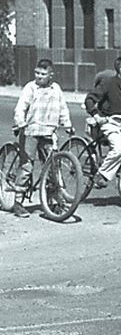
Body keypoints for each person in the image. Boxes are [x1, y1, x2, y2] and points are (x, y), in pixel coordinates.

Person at [8, 59, 73, 218]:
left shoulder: (56, 89)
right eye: (37, 73)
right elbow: (21, 107)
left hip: (49, 132)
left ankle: (53, 201)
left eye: (43, 74)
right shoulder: (30, 88)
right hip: (30, 131)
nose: (39, 76)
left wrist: (67, 124)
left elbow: (62, 108)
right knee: (26, 166)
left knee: (52, 166)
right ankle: (18, 202)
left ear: (51, 74)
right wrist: (21, 122)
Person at [84, 54, 121, 190]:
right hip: (109, 122)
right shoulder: (108, 83)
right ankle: (101, 175)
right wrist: (96, 115)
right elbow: (90, 99)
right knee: (119, 148)